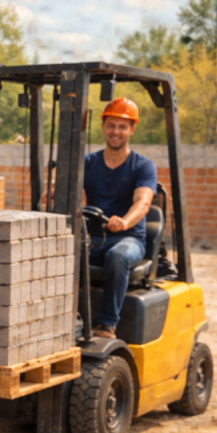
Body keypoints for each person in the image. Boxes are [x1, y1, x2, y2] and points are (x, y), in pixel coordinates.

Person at [84, 97, 156, 340]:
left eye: (122, 126)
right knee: (62, 252)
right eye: (112, 126)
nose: (116, 132)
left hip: (128, 238)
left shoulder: (143, 166)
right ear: (103, 127)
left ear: (131, 129)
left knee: (118, 256)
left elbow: (143, 202)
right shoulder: (88, 163)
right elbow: (63, 189)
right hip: (93, 238)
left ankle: (106, 325)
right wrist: (51, 191)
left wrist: (125, 221)